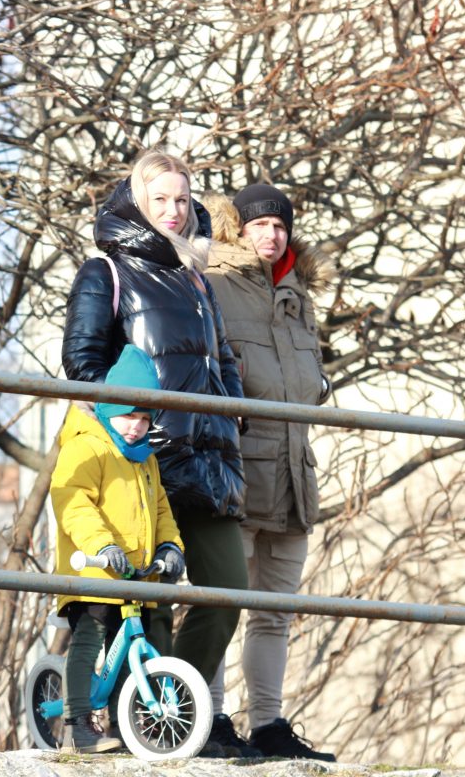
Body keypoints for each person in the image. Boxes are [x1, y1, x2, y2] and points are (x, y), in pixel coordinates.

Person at [61, 150, 247, 717]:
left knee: (228, 590)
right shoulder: (106, 271)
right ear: (137, 202)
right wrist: (128, 426)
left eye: (182, 200)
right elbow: (82, 362)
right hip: (143, 460)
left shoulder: (197, 278)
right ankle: (144, 724)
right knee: (149, 604)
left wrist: (233, 410)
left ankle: (173, 712)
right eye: (159, 198)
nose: (173, 210)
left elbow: (223, 359)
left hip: (209, 461)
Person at [201, 185, 336, 761]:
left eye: (280, 226)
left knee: (275, 612)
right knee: (218, 603)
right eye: (259, 224)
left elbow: (309, 385)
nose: (271, 234)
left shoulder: (298, 294)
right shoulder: (213, 281)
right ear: (237, 228)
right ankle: (207, 719)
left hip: (293, 476)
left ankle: (269, 724)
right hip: (233, 472)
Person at [50, 345, 186, 754]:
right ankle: (77, 723)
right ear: (108, 408)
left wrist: (170, 545)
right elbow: (73, 501)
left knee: (126, 649)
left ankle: (121, 725)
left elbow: (160, 509)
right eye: (128, 415)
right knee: (90, 638)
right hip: (94, 570)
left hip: (134, 573)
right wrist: (102, 544)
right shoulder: (86, 447)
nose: (136, 427)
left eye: (145, 418)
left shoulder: (145, 459)